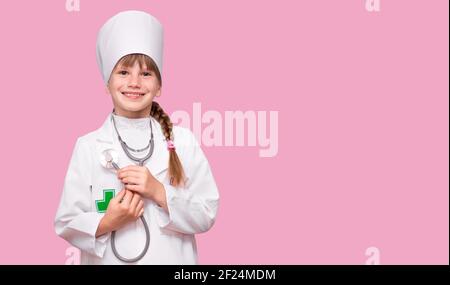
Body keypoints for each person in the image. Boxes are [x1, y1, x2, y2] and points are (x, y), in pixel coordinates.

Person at [54, 10, 220, 265]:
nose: (134, 82)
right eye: (123, 73)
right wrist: (108, 221)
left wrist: (159, 192)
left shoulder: (183, 141)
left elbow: (207, 212)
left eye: (145, 74)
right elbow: (66, 222)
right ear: (107, 83)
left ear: (159, 85)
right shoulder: (88, 147)